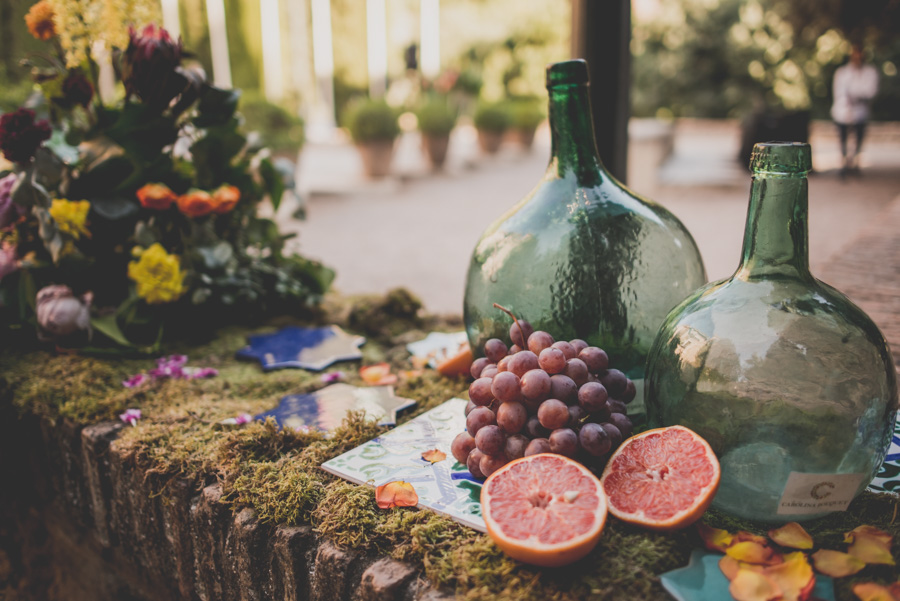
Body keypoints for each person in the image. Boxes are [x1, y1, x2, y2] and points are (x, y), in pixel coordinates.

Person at [831, 44, 879, 175]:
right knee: (843, 138)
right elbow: (839, 93)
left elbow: (870, 92)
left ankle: (855, 162)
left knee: (859, 137)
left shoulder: (870, 72)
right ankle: (845, 162)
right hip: (843, 110)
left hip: (860, 111)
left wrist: (856, 95)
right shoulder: (842, 73)